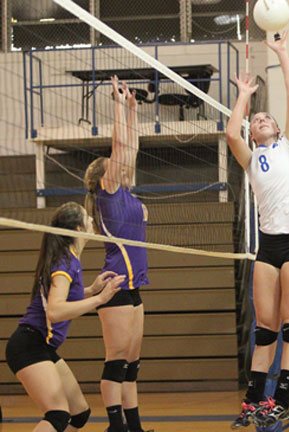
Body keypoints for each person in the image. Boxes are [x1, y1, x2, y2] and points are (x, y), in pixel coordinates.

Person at [226, 30, 289, 429]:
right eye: (257, 120)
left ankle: (282, 400)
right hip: (269, 245)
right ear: (254, 132)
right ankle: (252, 403)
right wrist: (244, 95)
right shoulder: (250, 158)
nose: (262, 120)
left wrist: (282, 53)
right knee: (265, 328)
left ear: (279, 130)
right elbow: (231, 133)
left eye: (268, 119)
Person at [5, 202, 124, 432]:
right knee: (58, 414)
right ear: (79, 229)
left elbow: (60, 298)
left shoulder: (69, 259)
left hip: (41, 345)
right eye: (88, 218)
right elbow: (55, 311)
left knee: (79, 413)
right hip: (29, 345)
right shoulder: (65, 262)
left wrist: (90, 290)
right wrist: (100, 299)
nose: (92, 221)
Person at [84, 76, 151, 432]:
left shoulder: (126, 192)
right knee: (116, 361)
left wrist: (132, 109)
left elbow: (131, 148)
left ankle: (134, 428)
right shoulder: (106, 196)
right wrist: (116, 105)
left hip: (134, 289)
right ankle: (115, 427)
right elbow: (119, 146)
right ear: (104, 175)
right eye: (114, 165)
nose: (123, 165)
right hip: (115, 286)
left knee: (132, 365)